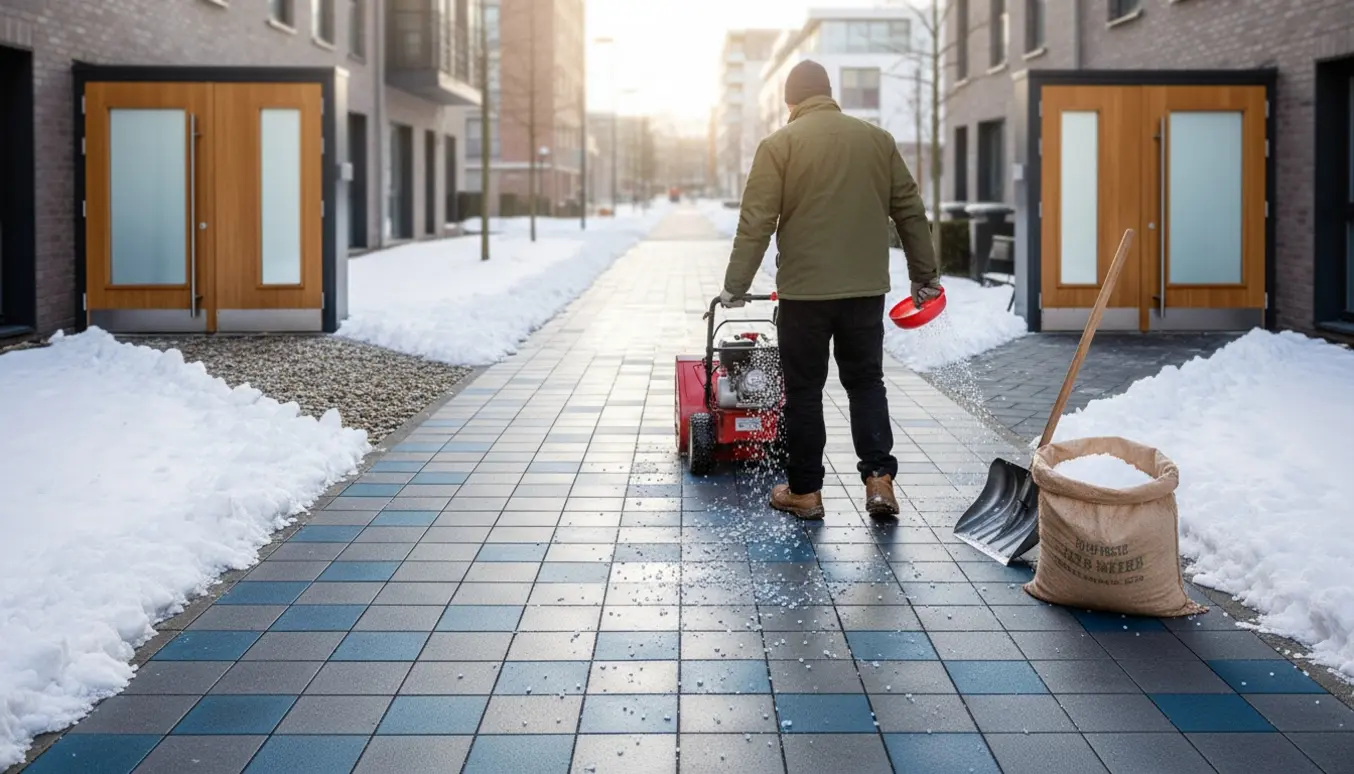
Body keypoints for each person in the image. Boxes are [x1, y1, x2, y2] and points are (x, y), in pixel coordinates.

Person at [718, 59, 941, 521]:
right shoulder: (877, 140)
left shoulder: (779, 145)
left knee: (804, 392)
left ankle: (805, 493)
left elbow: (756, 221)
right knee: (866, 383)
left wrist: (735, 287)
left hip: (804, 295)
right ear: (829, 93)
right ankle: (878, 481)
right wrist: (925, 276)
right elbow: (910, 211)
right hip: (864, 292)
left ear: (790, 101)